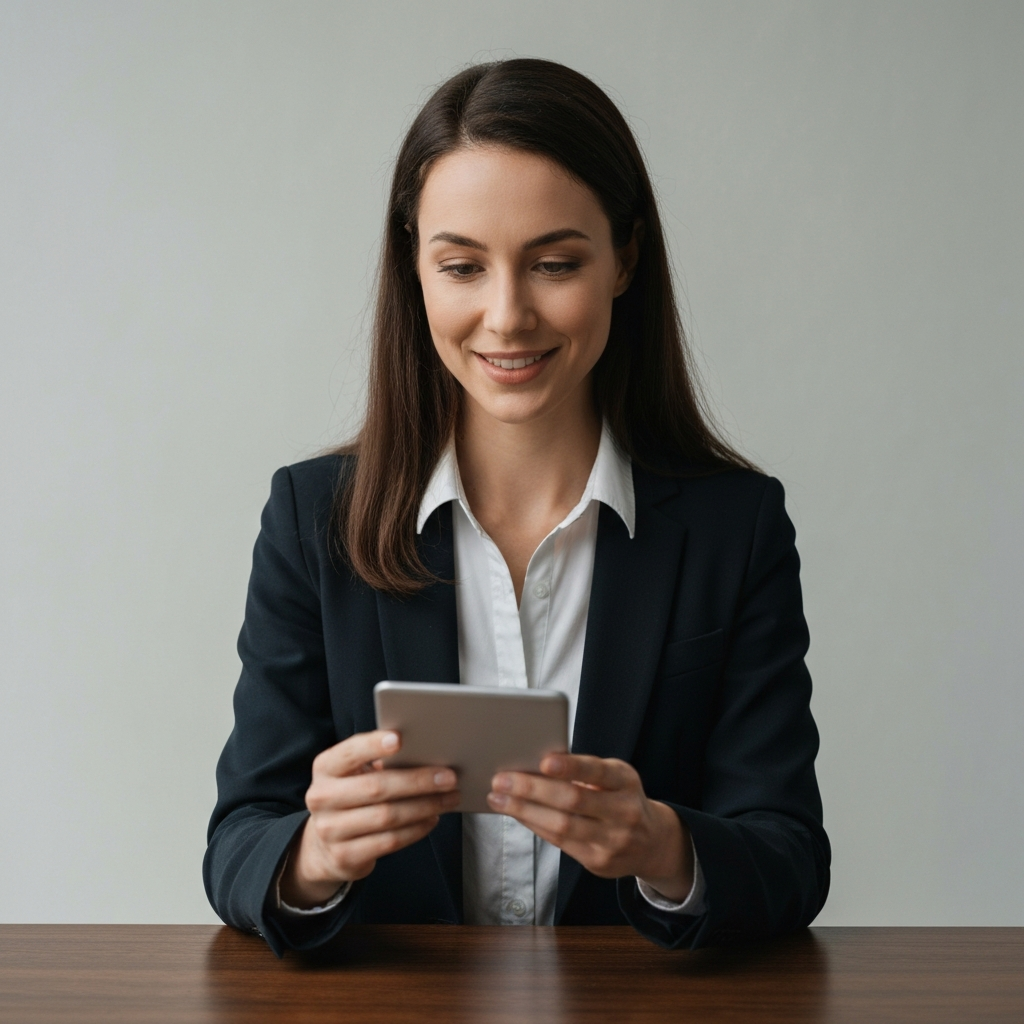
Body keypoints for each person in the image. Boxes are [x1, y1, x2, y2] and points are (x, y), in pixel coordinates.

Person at [204, 58, 830, 956]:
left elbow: (789, 856)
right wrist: (313, 857)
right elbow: (238, 842)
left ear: (625, 259)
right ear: (415, 267)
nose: (506, 316)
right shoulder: (313, 519)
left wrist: (663, 847)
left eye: (554, 264)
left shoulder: (736, 528)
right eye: (462, 266)